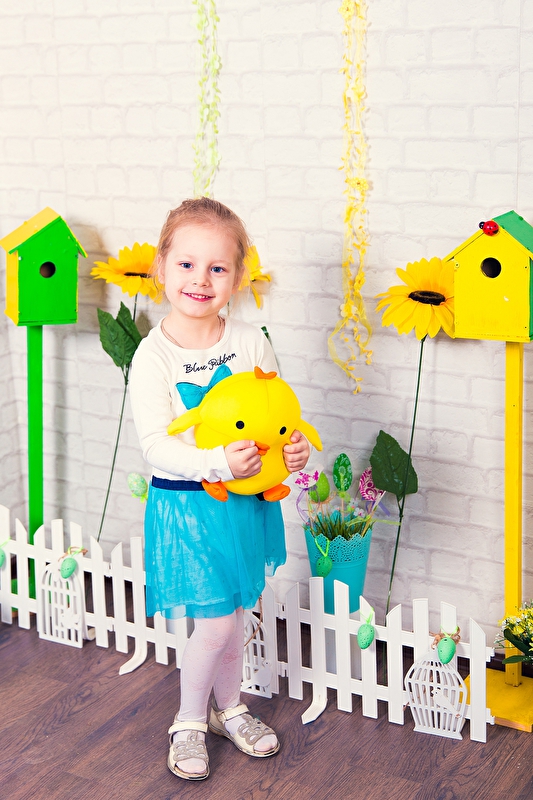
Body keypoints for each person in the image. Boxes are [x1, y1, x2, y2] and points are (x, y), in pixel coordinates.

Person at [129, 197, 311, 781]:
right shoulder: (153, 356)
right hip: (189, 507)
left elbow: (277, 417)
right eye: (186, 264)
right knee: (214, 623)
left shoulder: (250, 342)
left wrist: (293, 449)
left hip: (244, 507)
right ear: (161, 267)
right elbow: (155, 445)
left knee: (236, 614)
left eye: (217, 267)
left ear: (238, 276)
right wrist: (216, 462)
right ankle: (188, 720)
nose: (200, 280)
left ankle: (229, 709)